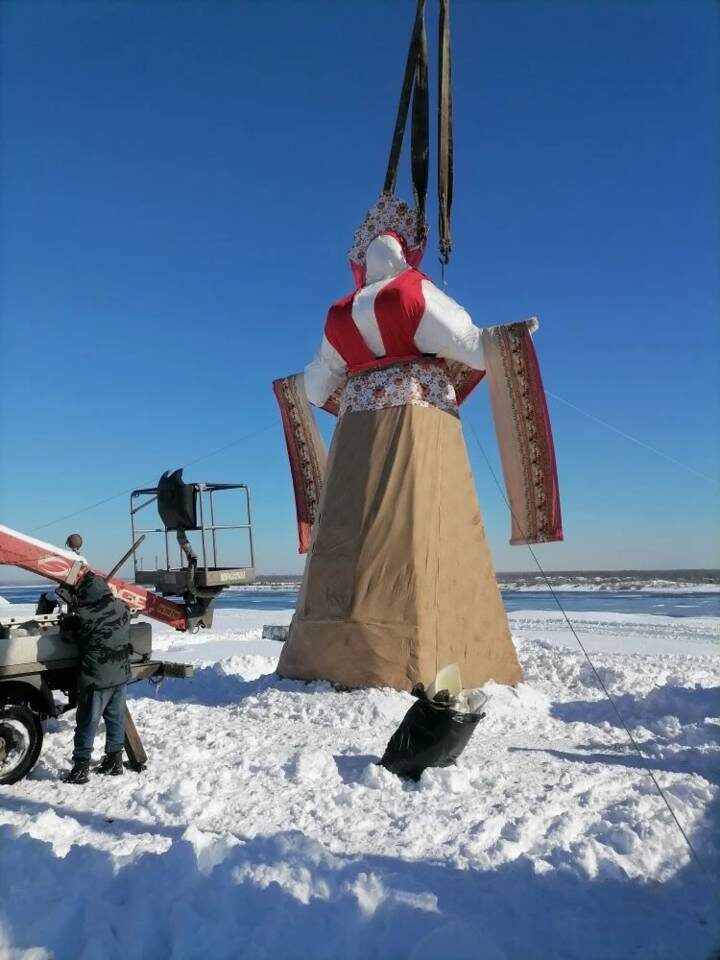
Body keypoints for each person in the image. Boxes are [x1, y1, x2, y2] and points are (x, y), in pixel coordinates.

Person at [277, 194, 524, 691]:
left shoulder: (340, 313)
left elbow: (317, 386)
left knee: (346, 528)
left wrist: (297, 387)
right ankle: (438, 652)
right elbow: (473, 347)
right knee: (427, 527)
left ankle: (327, 650)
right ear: (408, 250)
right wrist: (513, 340)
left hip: (356, 425)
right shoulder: (412, 293)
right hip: (419, 416)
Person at [62, 571, 131, 783]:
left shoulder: (84, 616)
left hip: (96, 679)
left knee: (87, 722)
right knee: (115, 719)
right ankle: (114, 761)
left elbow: (67, 636)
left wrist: (67, 621)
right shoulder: (122, 608)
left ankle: (81, 767)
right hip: (120, 675)